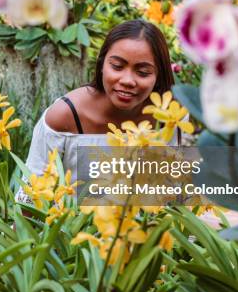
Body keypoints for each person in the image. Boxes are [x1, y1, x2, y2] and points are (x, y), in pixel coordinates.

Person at [16, 19, 181, 203]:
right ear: (102, 65)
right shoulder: (65, 115)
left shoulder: (170, 116)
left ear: (158, 76)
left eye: (142, 72)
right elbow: (30, 198)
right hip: (70, 227)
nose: (127, 80)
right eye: (117, 66)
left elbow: (172, 187)